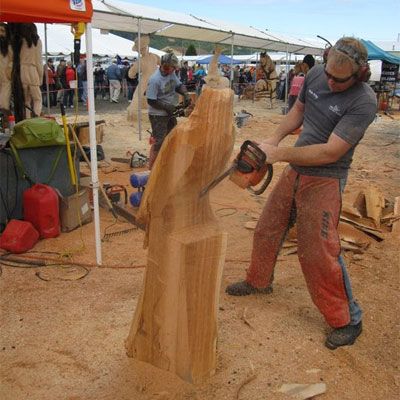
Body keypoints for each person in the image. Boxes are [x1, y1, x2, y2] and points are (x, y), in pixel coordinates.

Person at [225, 37, 377, 350]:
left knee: (318, 250)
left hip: (325, 178)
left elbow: (331, 152)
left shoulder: (364, 101)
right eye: (329, 75)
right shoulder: (316, 75)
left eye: (340, 79)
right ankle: (258, 280)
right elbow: (298, 111)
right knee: (268, 226)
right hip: (297, 167)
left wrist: (278, 155)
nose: (331, 82)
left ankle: (348, 319)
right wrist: (273, 139)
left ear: (359, 75)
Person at [146, 51, 190, 169]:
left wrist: (185, 94)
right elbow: (151, 100)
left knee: (172, 136)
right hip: (157, 114)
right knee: (159, 141)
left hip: (169, 112)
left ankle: (166, 163)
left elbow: (178, 85)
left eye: (175, 68)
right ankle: (152, 169)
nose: (174, 70)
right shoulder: (155, 80)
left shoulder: (171, 74)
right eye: (172, 68)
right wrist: (166, 107)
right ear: (165, 66)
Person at [0, 23, 13, 112]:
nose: (0, 33)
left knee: (5, 95)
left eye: (2, 31)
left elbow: (12, 60)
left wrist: (9, 70)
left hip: (5, 75)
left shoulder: (9, 46)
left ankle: (3, 113)